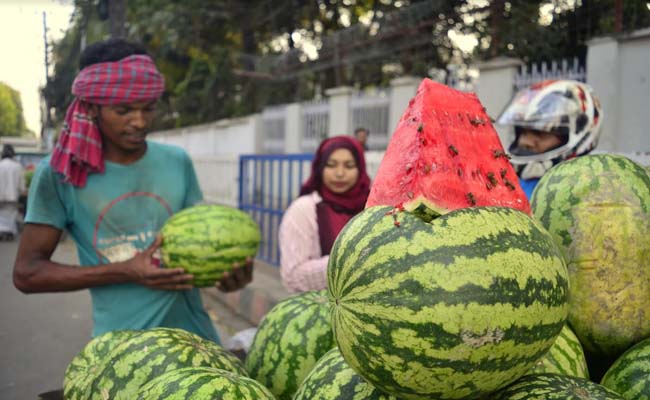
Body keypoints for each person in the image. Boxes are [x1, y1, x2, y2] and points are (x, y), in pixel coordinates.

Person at [12, 39, 252, 343]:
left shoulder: (176, 161)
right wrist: (126, 270)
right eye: (123, 110)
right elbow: (27, 273)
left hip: (199, 341)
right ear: (92, 108)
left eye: (148, 108)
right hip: (123, 352)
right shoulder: (61, 172)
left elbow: (204, 248)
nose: (139, 121)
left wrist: (229, 278)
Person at [278, 136, 370, 292]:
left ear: (360, 168)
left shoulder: (373, 207)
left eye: (349, 166)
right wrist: (349, 261)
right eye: (331, 165)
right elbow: (293, 277)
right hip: (321, 311)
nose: (340, 173)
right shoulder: (303, 210)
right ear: (320, 167)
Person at [496, 79, 603, 198]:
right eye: (523, 132)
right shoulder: (510, 182)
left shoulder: (591, 192)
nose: (524, 141)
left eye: (540, 133)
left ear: (580, 131)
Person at [0, 144, 26, 241]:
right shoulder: (18, 166)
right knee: (11, 215)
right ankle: (8, 232)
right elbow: (22, 187)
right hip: (12, 198)